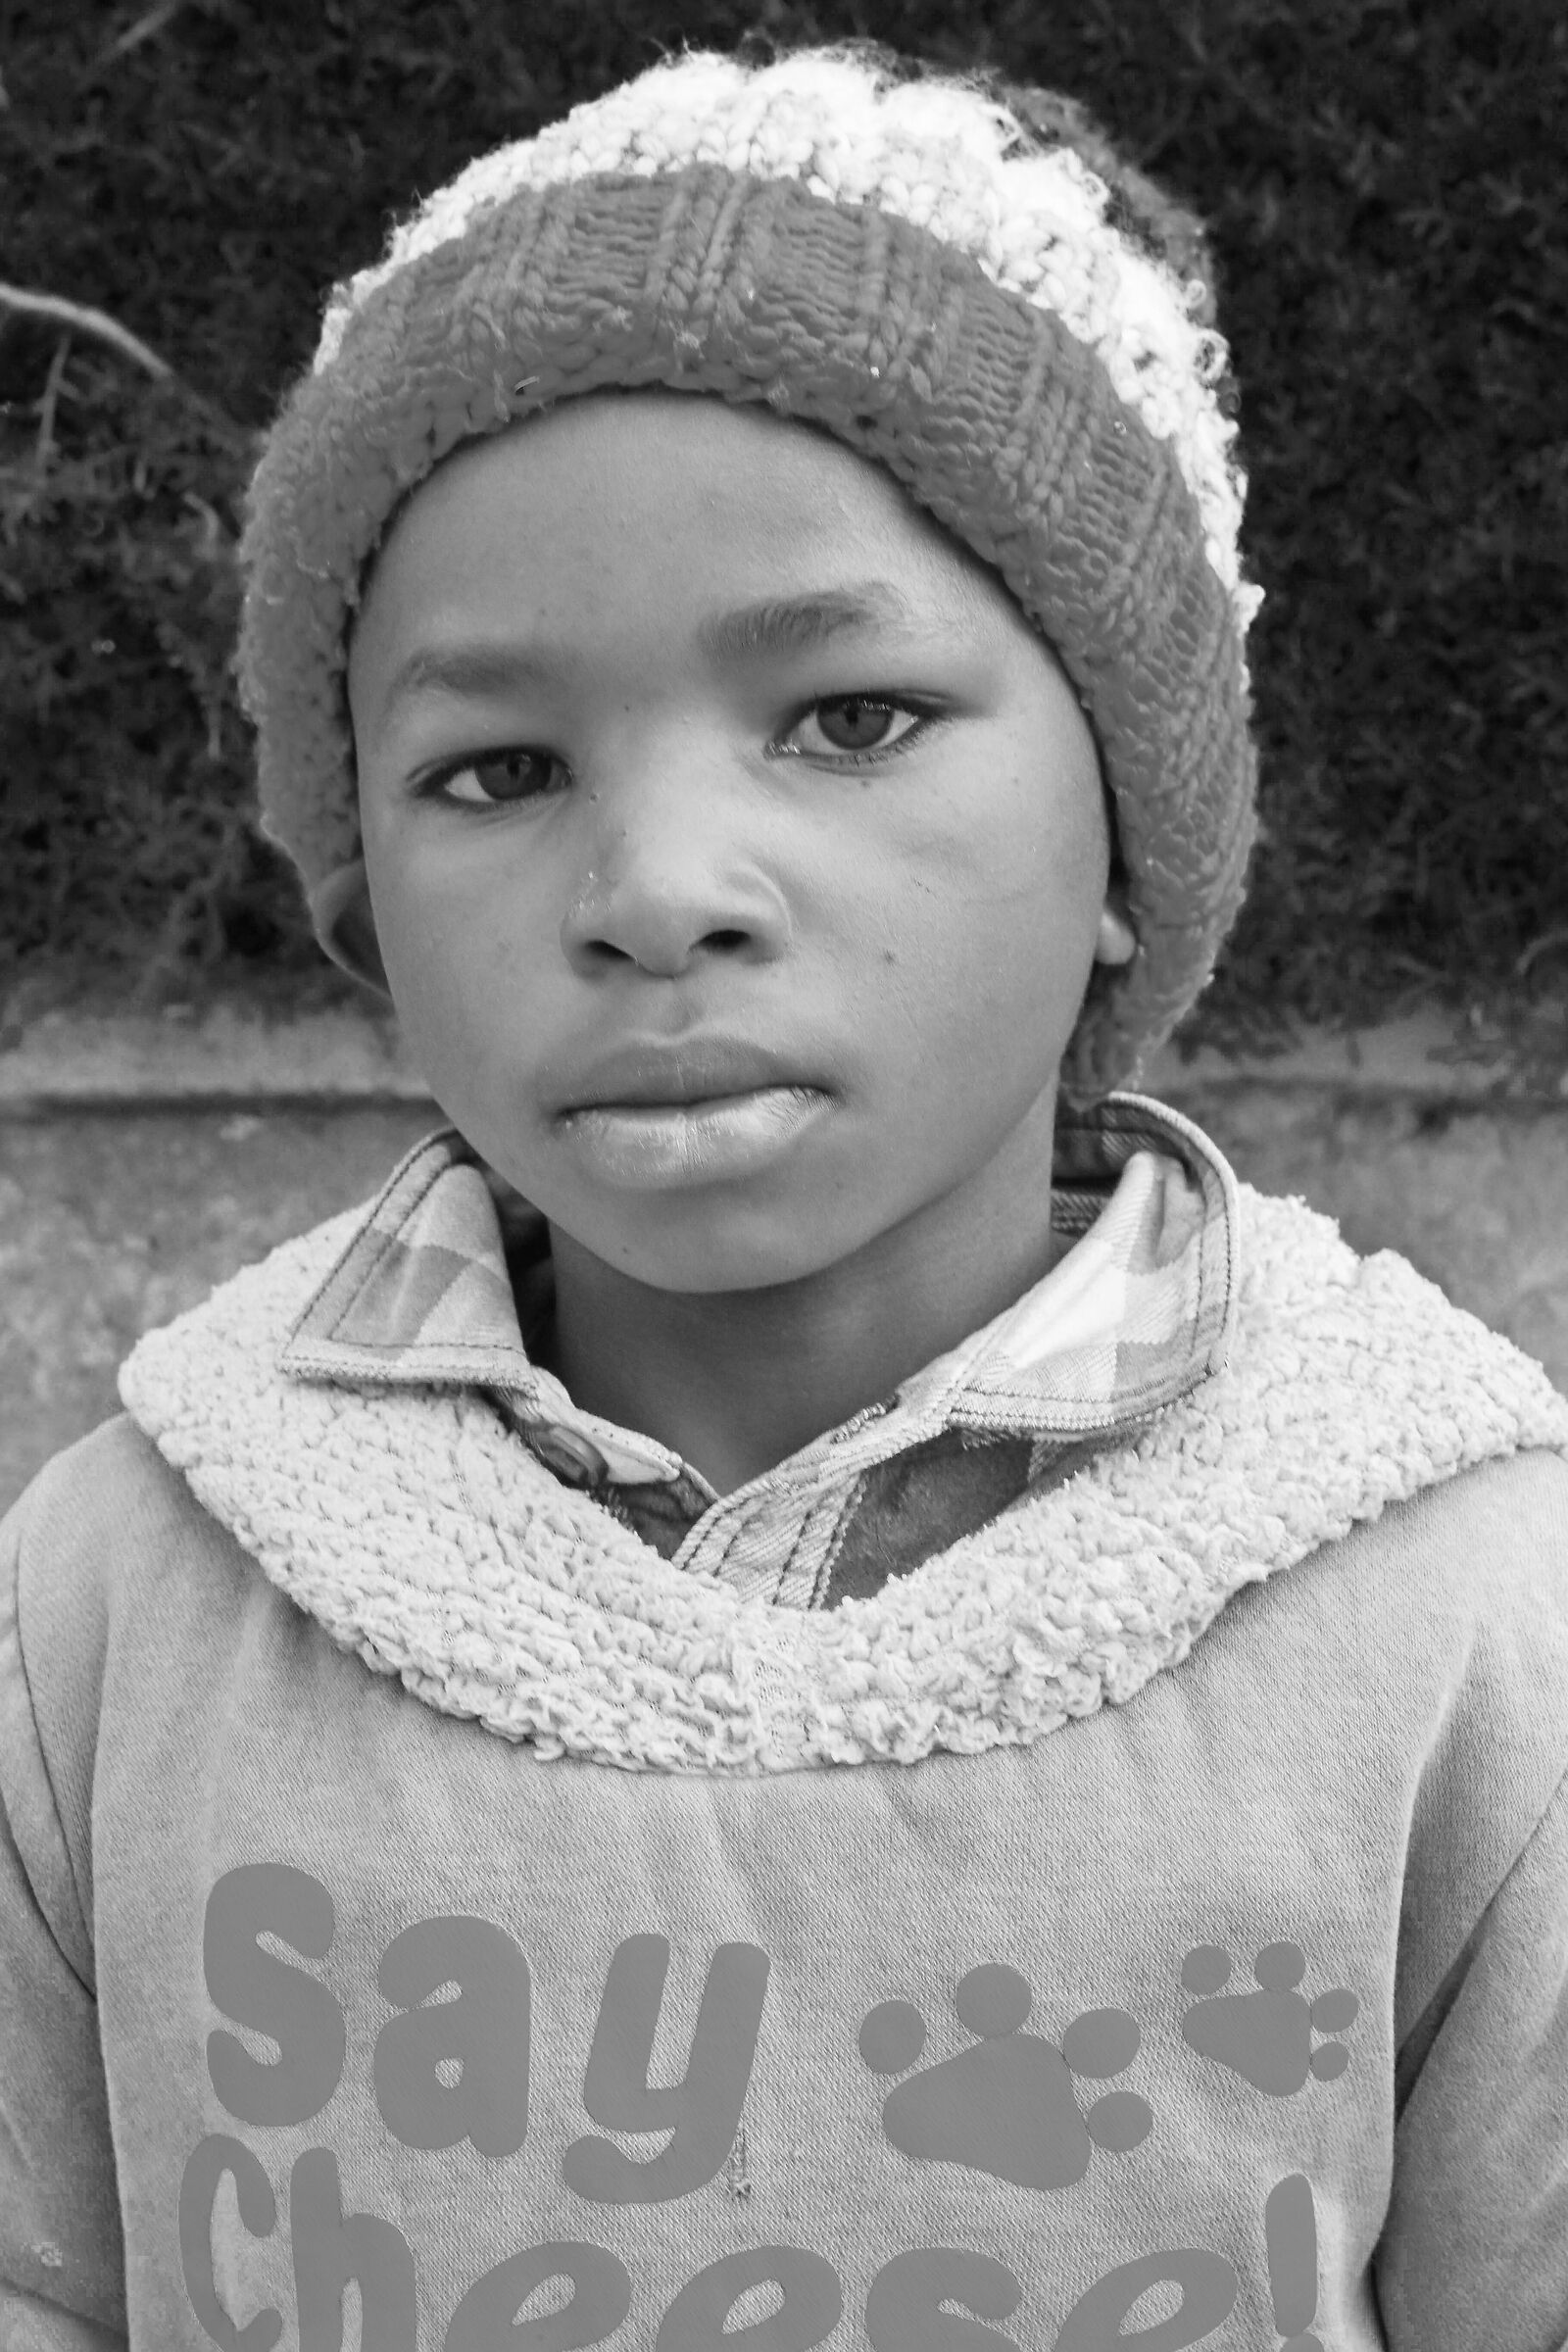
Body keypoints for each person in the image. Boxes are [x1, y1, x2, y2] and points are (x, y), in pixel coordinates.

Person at [2, 40, 1564, 2352]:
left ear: (1124, 847)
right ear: (364, 908)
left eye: (843, 717)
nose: (650, 889)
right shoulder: (116, 1602)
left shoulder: (1464, 1616)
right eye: (496, 766)